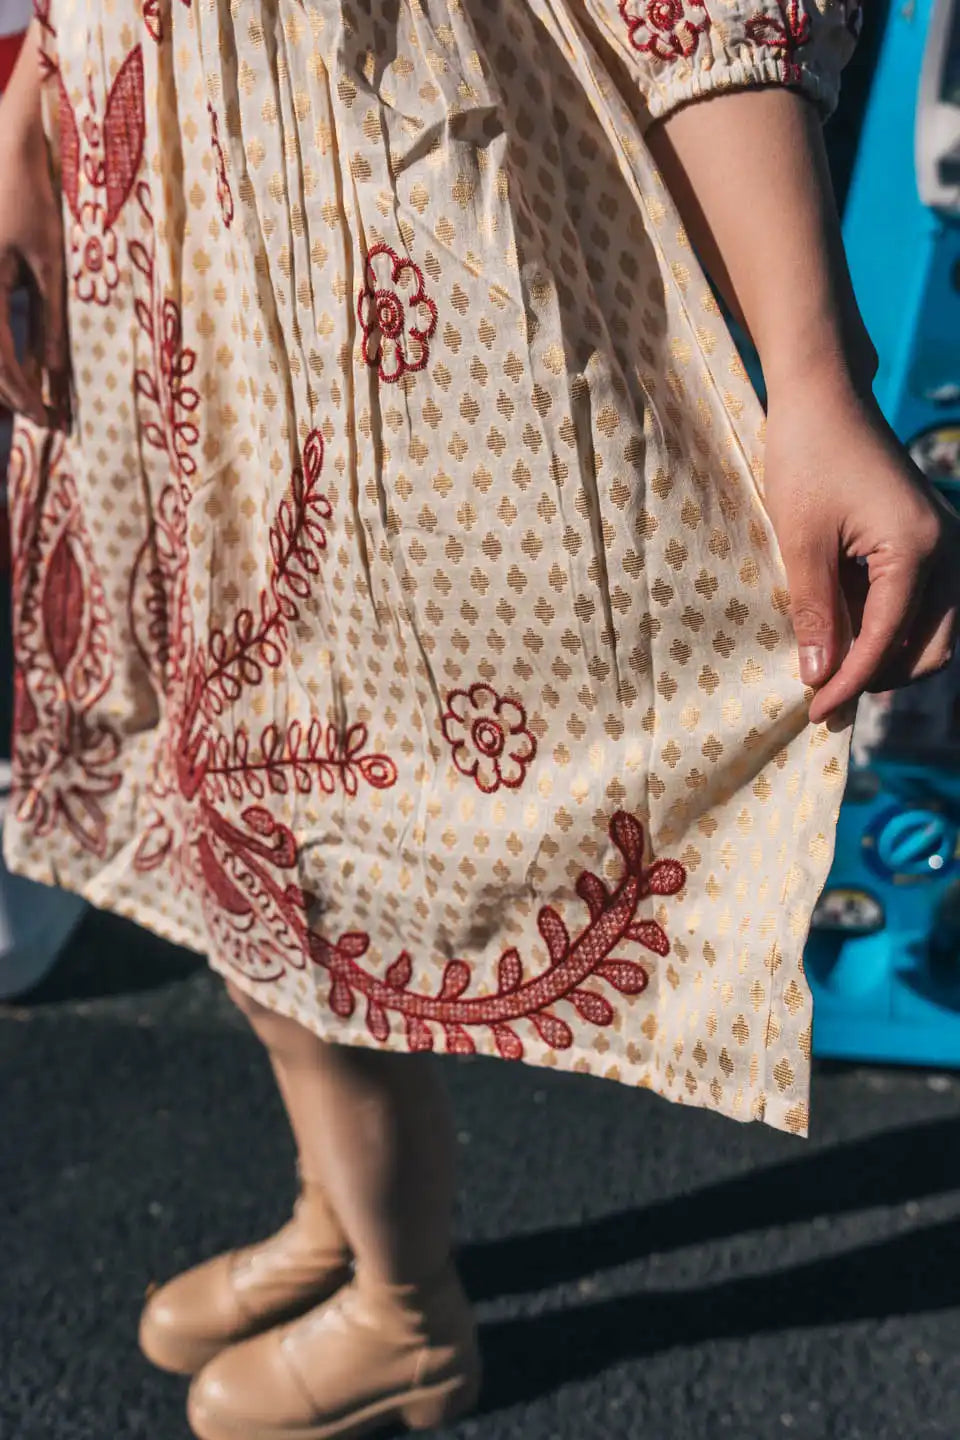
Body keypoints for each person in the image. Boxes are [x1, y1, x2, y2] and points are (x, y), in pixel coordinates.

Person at [1, 1, 958, 1436]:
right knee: (231, 815)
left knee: (324, 834)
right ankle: (340, 1211)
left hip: (379, 258)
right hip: (182, 237)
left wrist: (814, 373)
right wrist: (31, 109)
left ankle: (404, 1310)